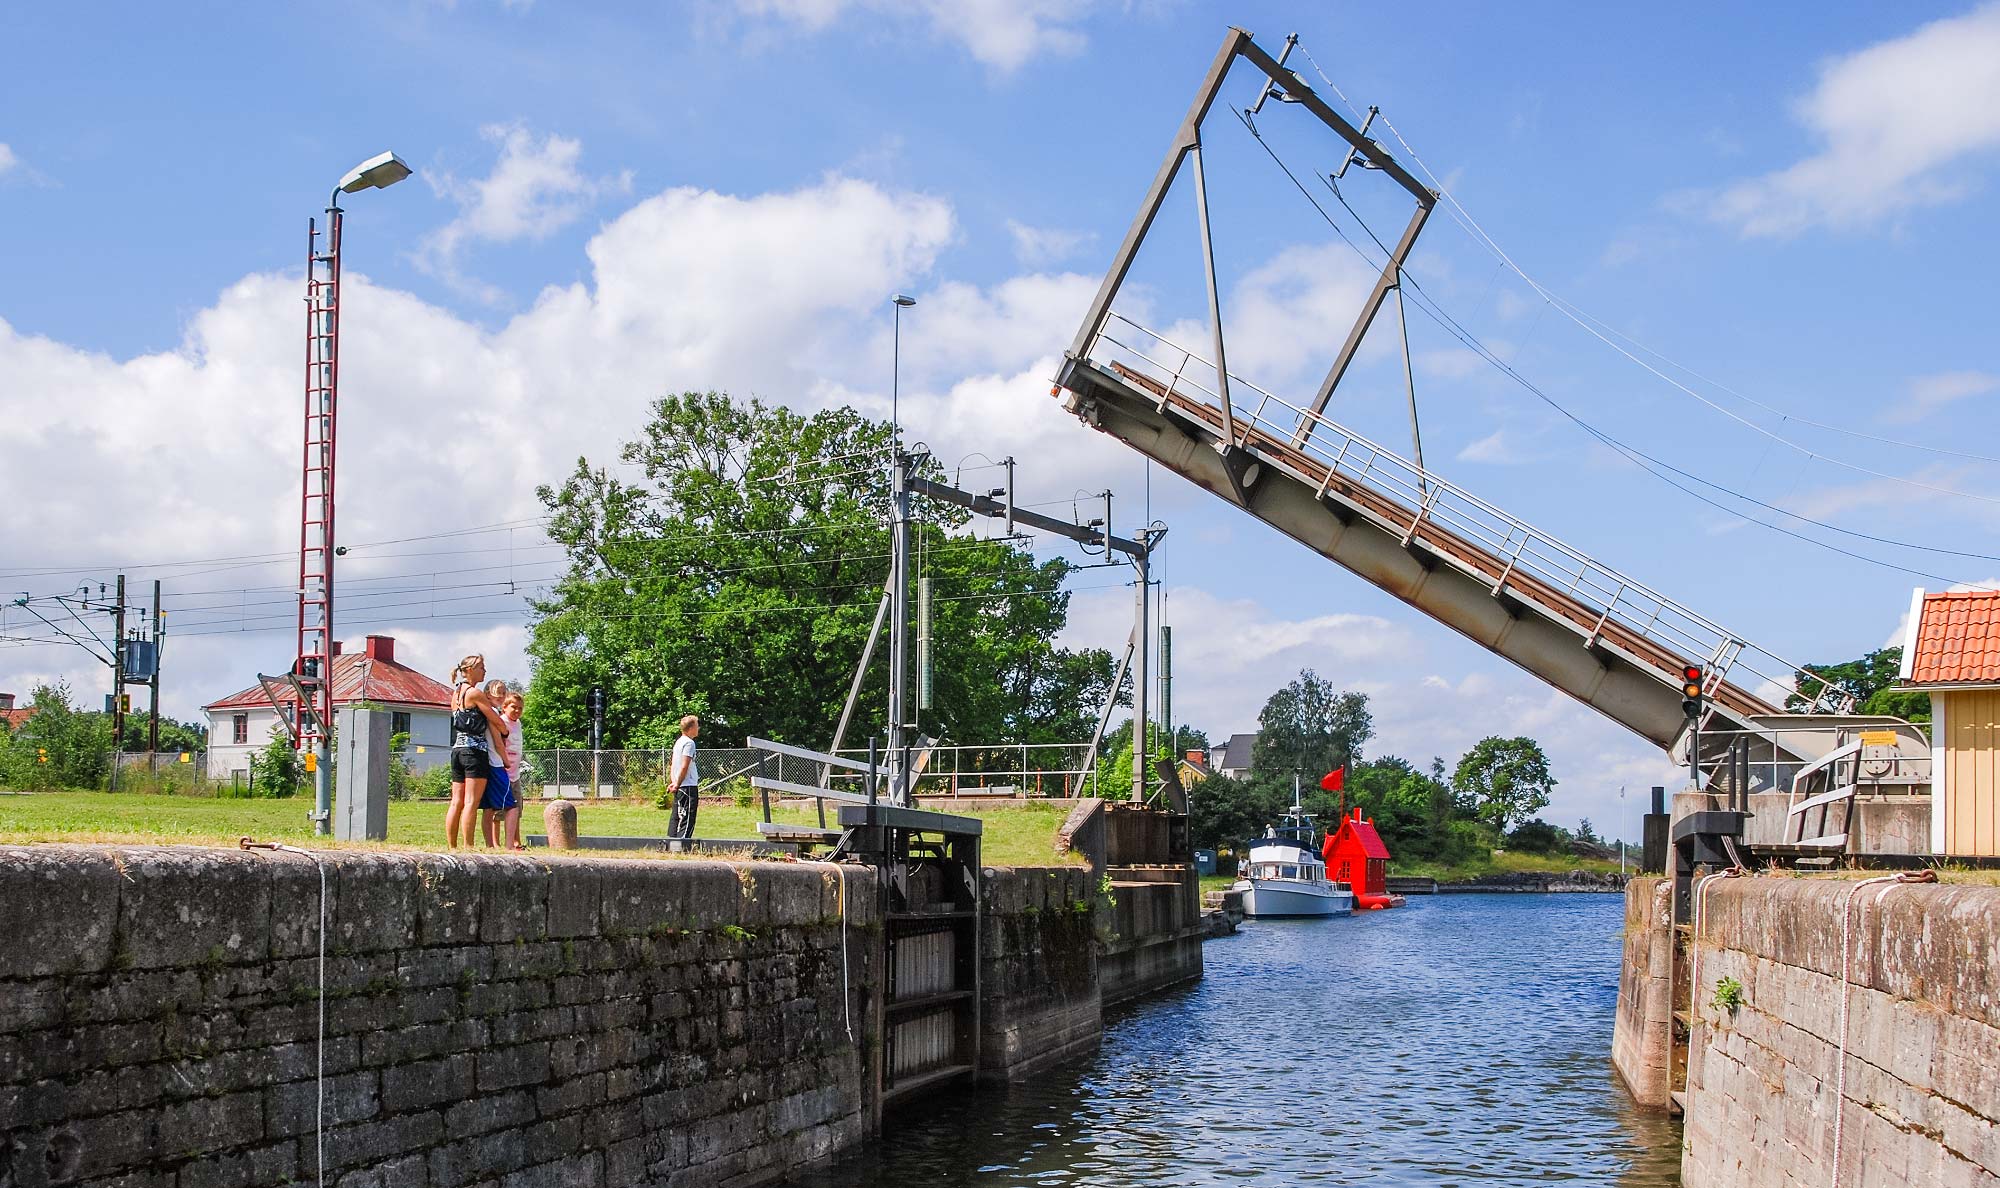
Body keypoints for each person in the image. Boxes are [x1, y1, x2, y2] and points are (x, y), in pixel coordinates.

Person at [446, 655, 509, 848]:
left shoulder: (456, 694)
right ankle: (468, 845)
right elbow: (495, 719)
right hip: (474, 751)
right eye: (481, 667)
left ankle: (452, 846)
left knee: (456, 800)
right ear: (470, 669)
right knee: (471, 801)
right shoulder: (474, 693)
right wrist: (506, 733)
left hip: (457, 750)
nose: (484, 671)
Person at [479, 679, 518, 849]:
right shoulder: (492, 713)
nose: (501, 696)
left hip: (485, 762)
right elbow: (497, 741)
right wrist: (505, 760)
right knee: (512, 806)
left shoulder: (485, 711)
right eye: (498, 692)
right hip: (495, 764)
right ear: (488, 694)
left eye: (504, 693)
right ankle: (509, 846)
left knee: (488, 808)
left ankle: (490, 846)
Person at [667, 714, 700, 842]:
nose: (698, 728)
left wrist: (674, 782)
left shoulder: (679, 742)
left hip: (680, 784)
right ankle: (682, 843)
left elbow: (673, 764)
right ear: (691, 728)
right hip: (688, 785)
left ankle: (671, 842)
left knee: (677, 815)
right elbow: (684, 766)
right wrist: (677, 783)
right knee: (687, 816)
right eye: (697, 726)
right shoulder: (689, 743)